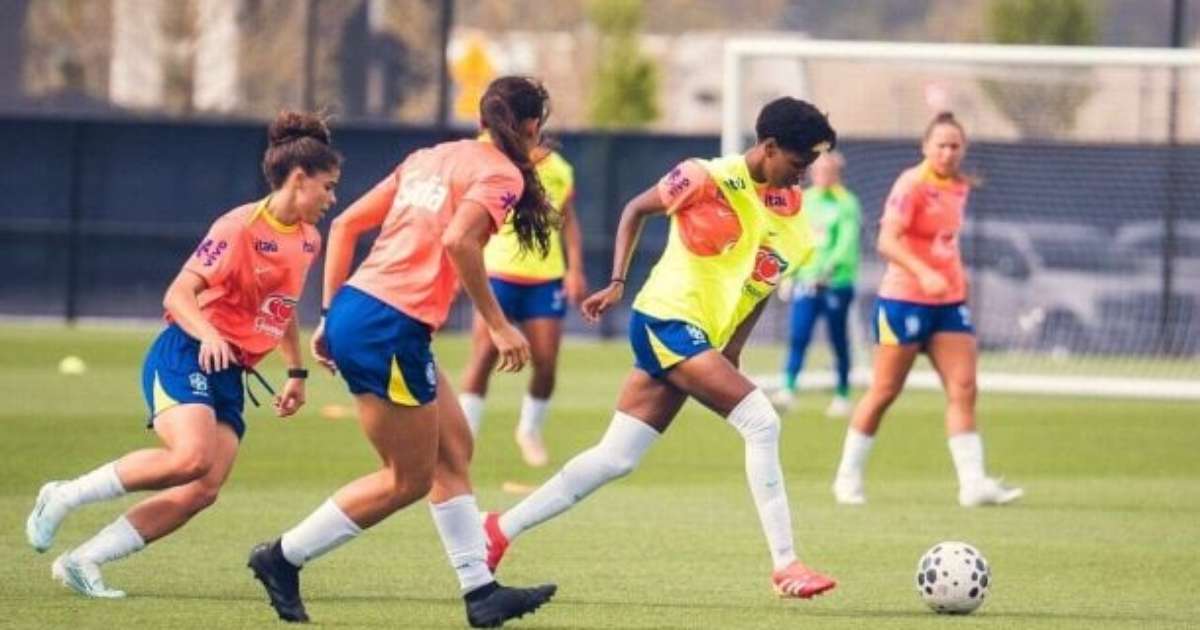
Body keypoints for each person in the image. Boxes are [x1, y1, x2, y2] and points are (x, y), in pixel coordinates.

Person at [481, 97, 840, 599]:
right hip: (665, 320)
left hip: (697, 338)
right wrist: (616, 282)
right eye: (798, 165)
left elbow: (759, 289)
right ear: (770, 147)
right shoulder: (703, 176)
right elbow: (636, 209)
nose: (801, 178)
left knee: (615, 458)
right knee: (762, 421)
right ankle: (786, 565)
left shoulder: (794, 222)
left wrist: (732, 348)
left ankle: (497, 530)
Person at [245, 76, 557, 628]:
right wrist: (499, 325)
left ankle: (480, 593)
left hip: (369, 315)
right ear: (530, 127)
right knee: (406, 479)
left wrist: (329, 316)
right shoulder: (499, 172)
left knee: (453, 448)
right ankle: (282, 557)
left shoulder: (430, 157)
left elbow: (345, 226)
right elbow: (459, 241)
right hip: (389, 325)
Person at [25, 111, 341, 598]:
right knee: (191, 457)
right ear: (299, 180)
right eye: (328, 186)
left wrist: (295, 372)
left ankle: (84, 559)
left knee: (203, 488)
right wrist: (210, 335)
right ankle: (62, 495)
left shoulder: (307, 239)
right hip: (187, 352)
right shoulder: (238, 226)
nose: (332, 198)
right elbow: (178, 294)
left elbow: (279, 310)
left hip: (230, 372)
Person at [830, 112, 1024, 507]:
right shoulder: (911, 184)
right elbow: (887, 241)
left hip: (948, 302)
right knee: (885, 390)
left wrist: (956, 274)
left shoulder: (958, 187)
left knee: (964, 387)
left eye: (955, 145)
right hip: (903, 301)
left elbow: (943, 241)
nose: (948, 152)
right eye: (941, 144)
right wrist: (923, 272)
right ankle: (847, 477)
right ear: (925, 147)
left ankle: (973, 484)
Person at [458, 140, 586, 467]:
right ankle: (464, 437)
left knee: (545, 361)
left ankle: (529, 430)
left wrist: (575, 268)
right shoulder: (489, 151)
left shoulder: (559, 168)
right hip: (499, 272)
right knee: (484, 355)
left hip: (545, 277)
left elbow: (567, 220)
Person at [770, 151, 861, 417]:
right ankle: (788, 388)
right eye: (818, 170)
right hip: (806, 283)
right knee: (799, 336)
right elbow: (796, 240)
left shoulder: (847, 203)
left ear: (836, 173)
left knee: (838, 340)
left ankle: (842, 394)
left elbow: (846, 244)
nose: (822, 175)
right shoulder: (804, 200)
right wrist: (788, 275)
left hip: (836, 284)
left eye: (827, 170)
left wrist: (826, 271)